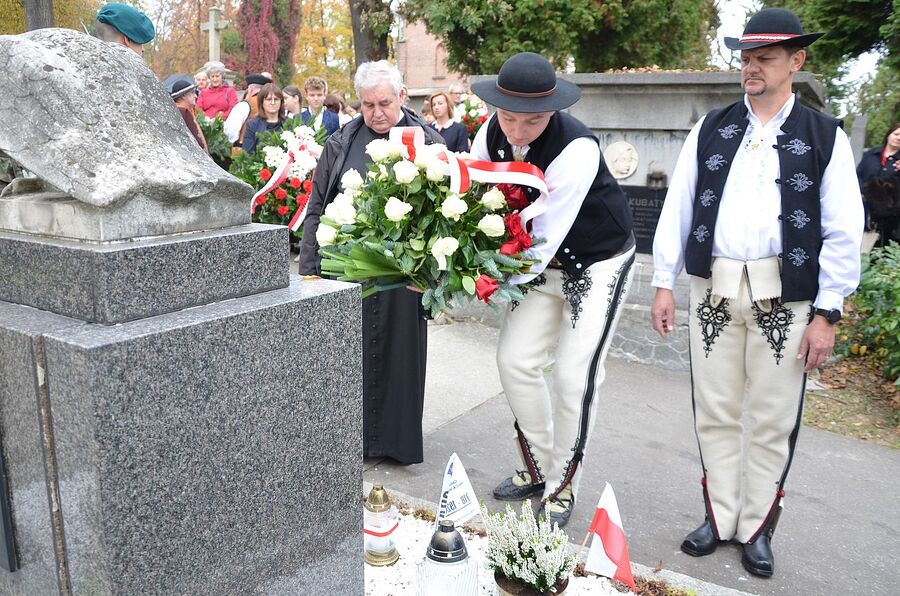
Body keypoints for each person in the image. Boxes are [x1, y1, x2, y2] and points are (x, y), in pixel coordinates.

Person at [650, 8, 863, 578]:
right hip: (713, 286)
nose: (751, 67)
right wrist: (663, 282)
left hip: (787, 294)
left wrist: (828, 312)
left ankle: (757, 526)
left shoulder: (825, 136)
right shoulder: (712, 127)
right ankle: (719, 519)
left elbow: (843, 228)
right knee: (714, 410)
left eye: (765, 58)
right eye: (746, 57)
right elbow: (679, 206)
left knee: (772, 417)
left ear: (797, 62)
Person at [470, 52, 636, 528]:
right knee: (514, 361)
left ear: (554, 110)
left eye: (534, 121)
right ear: (495, 107)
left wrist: (490, 280)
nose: (518, 133)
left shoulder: (577, 147)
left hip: (595, 262)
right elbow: (474, 200)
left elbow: (543, 238)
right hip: (536, 262)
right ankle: (539, 467)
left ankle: (563, 486)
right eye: (508, 118)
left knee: (573, 377)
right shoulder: (489, 134)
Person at [298, 61, 445, 465]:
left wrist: (436, 278)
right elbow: (318, 204)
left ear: (402, 97)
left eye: (384, 103)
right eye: (367, 105)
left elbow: (447, 215)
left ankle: (395, 444)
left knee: (399, 360)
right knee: (348, 361)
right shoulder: (340, 142)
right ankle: (350, 441)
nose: (376, 112)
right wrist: (308, 267)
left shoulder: (427, 142)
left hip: (403, 276)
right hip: (348, 270)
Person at [857, 123, 900, 245]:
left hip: (889, 216)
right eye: (896, 134)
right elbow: (857, 174)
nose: (898, 138)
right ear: (888, 135)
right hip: (864, 207)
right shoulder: (871, 154)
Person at [223, 73, 272, 145]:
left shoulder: (244, 105)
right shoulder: (272, 104)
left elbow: (231, 130)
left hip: (245, 148)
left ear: (251, 89)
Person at [242, 83, 286, 154]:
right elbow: (247, 153)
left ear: (281, 102)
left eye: (276, 99)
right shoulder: (253, 125)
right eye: (268, 99)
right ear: (262, 102)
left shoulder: (289, 124)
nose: (272, 102)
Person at [171, 80, 207, 152]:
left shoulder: (185, 110)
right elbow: (198, 143)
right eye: (192, 93)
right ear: (183, 96)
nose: (196, 96)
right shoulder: (183, 112)